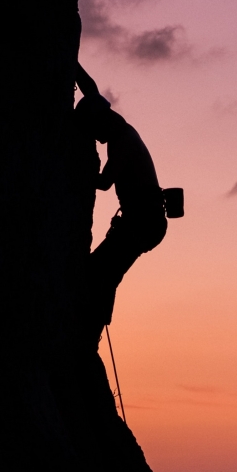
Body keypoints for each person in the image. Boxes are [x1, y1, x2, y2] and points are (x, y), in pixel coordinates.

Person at [75, 63, 169, 345]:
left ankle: (91, 334)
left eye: (95, 131)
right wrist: (73, 65)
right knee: (102, 270)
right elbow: (91, 90)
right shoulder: (119, 131)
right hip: (141, 220)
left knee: (102, 271)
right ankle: (92, 330)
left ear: (103, 121)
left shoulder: (123, 141)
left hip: (144, 222)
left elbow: (104, 182)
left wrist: (78, 170)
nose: (96, 138)